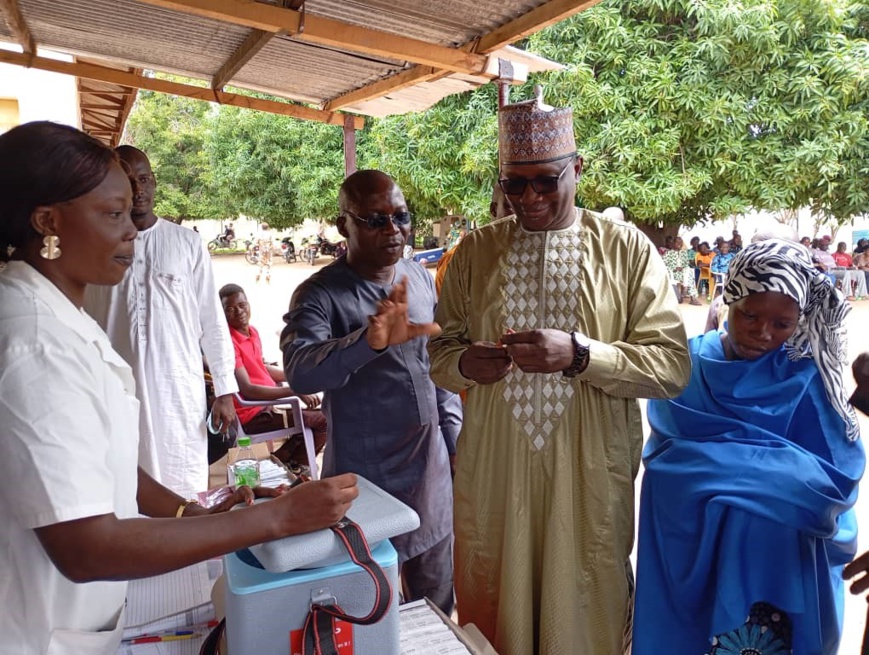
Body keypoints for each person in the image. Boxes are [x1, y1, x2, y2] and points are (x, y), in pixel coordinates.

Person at [0, 121, 359, 655]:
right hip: (37, 630)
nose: (131, 231)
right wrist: (275, 519)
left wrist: (189, 513)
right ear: (47, 221)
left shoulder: (56, 314)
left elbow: (103, 461)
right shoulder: (33, 340)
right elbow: (86, 546)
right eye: (113, 214)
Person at [428, 92, 691, 655]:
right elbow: (441, 355)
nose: (529, 197)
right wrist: (464, 365)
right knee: (496, 597)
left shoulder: (626, 251)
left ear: (577, 168)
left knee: (585, 600)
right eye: (513, 184)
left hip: (589, 473)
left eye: (545, 181)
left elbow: (670, 367)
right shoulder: (474, 252)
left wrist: (580, 355)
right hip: (496, 470)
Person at [633, 239, 864, 655]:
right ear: (728, 301)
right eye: (750, 315)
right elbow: (667, 464)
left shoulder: (809, 377)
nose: (763, 333)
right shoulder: (689, 367)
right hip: (696, 556)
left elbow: (835, 481)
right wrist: (771, 476)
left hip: (779, 563)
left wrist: (724, 474)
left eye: (783, 324)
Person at [282, 169, 463, 615]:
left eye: (401, 217)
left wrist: (456, 442)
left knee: (436, 607)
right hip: (366, 484)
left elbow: (436, 367)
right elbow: (301, 372)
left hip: (431, 476)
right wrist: (368, 341)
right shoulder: (319, 295)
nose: (393, 230)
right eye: (374, 219)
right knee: (371, 611)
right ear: (343, 224)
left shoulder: (418, 277)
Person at [84, 145, 238, 498]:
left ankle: (186, 550)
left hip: (177, 389)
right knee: (121, 479)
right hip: (114, 388)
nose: (138, 190)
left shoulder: (187, 242)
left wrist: (226, 390)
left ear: (154, 183)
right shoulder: (95, 245)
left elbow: (211, 320)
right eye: (127, 180)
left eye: (144, 179)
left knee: (181, 479)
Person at [220, 283, 327, 466]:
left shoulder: (251, 331)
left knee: (320, 414)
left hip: (270, 405)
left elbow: (260, 367)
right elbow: (249, 390)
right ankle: (295, 465)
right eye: (229, 309)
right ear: (221, 314)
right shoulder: (228, 343)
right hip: (255, 413)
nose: (238, 312)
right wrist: (295, 389)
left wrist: (296, 375)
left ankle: (283, 460)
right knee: (325, 420)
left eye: (242, 305)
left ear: (248, 304)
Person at [663, 236, 702, 305]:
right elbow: (664, 264)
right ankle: (689, 294)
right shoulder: (668, 253)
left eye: (681, 242)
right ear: (673, 244)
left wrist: (682, 268)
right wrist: (674, 268)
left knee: (688, 270)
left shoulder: (684, 253)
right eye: (677, 242)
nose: (679, 244)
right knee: (689, 275)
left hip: (683, 274)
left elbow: (686, 263)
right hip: (673, 274)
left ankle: (686, 289)